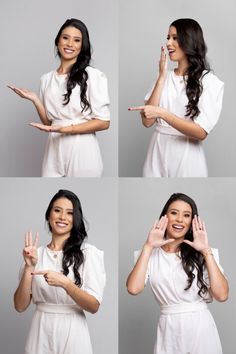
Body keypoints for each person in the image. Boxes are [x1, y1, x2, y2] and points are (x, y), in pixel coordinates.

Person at [126, 193, 228, 354]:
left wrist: (206, 251)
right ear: (164, 217)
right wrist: (148, 246)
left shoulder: (203, 254)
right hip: (168, 329)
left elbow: (222, 295)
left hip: (200, 328)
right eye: (174, 213)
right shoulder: (147, 254)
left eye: (186, 215)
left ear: (192, 222)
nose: (180, 220)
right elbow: (133, 288)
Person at [8, 18, 110, 177]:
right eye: (65, 38)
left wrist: (67, 129)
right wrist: (35, 99)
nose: (70, 44)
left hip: (83, 150)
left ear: (82, 47)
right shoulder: (46, 79)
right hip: (54, 151)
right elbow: (50, 124)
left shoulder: (92, 76)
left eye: (77, 40)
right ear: (57, 41)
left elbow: (104, 122)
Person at [14, 189, 106, 354]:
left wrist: (66, 284)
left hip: (74, 333)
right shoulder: (36, 254)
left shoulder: (88, 253)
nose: (63, 217)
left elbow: (94, 306)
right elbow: (20, 306)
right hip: (40, 332)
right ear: (49, 215)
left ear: (75, 219)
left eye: (70, 213)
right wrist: (29, 266)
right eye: (57, 210)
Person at [129, 19, 224, 177]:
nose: (168, 43)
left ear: (189, 41)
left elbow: (201, 132)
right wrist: (161, 78)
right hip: (157, 152)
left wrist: (163, 114)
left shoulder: (208, 81)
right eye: (168, 38)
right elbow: (147, 122)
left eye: (175, 38)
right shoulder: (163, 77)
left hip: (187, 155)